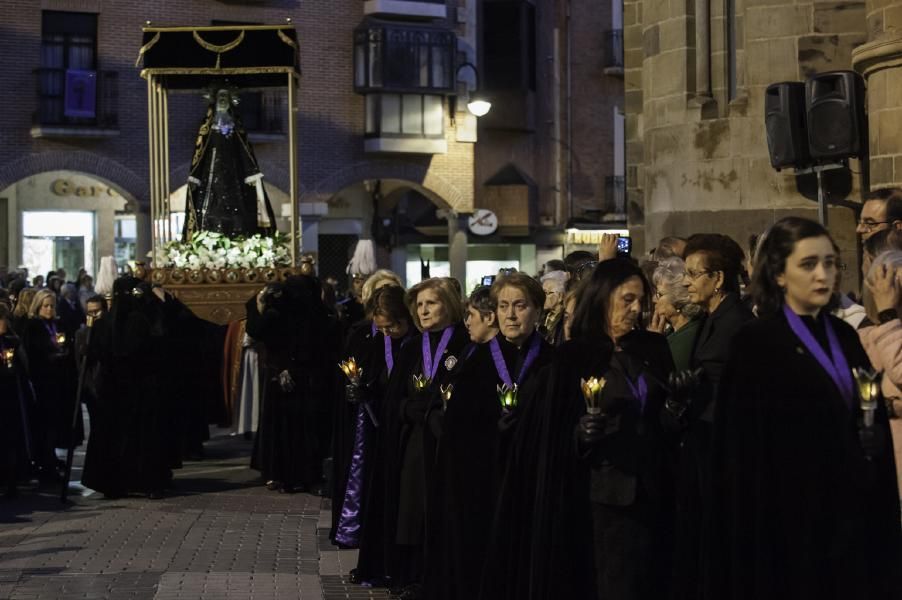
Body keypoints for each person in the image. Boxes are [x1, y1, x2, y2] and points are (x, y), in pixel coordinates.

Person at [708, 216, 901, 599]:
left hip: (850, 516)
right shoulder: (755, 344)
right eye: (808, 264)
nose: (822, 275)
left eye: (829, 263)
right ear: (779, 274)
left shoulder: (844, 336)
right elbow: (740, 455)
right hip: (785, 519)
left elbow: (864, 404)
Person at [528, 259, 676, 600]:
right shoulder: (575, 356)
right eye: (627, 299)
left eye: (641, 300)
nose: (636, 309)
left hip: (654, 486)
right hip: (601, 492)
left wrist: (677, 405)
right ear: (604, 297)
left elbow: (663, 419)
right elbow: (554, 432)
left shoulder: (652, 348)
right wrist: (580, 436)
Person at [671, 233, 754, 600]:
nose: (686, 281)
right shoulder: (712, 317)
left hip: (723, 449)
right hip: (706, 442)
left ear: (718, 279)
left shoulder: (734, 322)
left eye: (693, 273)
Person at [382, 278, 469, 600]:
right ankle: (413, 575)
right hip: (416, 442)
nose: (423, 310)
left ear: (448, 303)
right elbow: (392, 398)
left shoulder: (463, 343)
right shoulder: (412, 346)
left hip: (446, 443)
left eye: (430, 303)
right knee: (413, 511)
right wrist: (408, 408)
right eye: (419, 305)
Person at [344, 286, 416, 586]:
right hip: (383, 433)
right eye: (383, 328)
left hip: (407, 432)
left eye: (394, 326)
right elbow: (377, 379)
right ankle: (377, 564)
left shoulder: (416, 344)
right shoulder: (381, 342)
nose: (388, 333)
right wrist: (364, 390)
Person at [250, 276, 333, 493]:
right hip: (309, 383)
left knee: (284, 430)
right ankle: (307, 475)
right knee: (306, 431)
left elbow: (257, 331)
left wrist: (257, 303)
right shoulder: (319, 315)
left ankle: (283, 475)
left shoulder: (279, 313)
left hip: (283, 381)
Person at [183, 86, 277, 239]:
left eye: (225, 97)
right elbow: (199, 153)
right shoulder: (206, 127)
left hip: (234, 173)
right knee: (208, 206)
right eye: (220, 96)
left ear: (230, 101)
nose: (222, 100)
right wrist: (196, 175)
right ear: (214, 100)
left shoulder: (237, 127)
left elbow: (244, 150)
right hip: (211, 173)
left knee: (237, 207)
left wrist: (251, 173)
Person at [23, 289, 80, 482]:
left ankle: (52, 458)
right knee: (45, 426)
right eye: (45, 306)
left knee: (55, 425)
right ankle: (45, 463)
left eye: (51, 306)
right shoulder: (33, 326)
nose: (49, 309)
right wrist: (51, 354)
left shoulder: (58, 323)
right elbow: (33, 353)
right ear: (38, 306)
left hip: (59, 381)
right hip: (43, 382)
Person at [858, 250, 902, 497]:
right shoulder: (861, 339)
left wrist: (888, 317)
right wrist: (888, 408)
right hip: (873, 476)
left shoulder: (890, 334)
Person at [650, 257, 703, 371]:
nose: (654, 299)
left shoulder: (685, 341)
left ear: (678, 301)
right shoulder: (671, 332)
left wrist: (654, 346)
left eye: (659, 294)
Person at [0, 305, 30, 498]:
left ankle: (12, 480)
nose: (5, 323)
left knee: (10, 439)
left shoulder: (10, 340)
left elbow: (23, 366)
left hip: (9, 396)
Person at [539, 270, 568, 345]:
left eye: (546, 293)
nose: (542, 296)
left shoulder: (566, 320)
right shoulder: (540, 316)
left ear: (560, 296)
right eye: (542, 293)